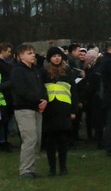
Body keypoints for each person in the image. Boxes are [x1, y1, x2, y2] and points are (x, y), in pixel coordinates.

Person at [11, 44, 47, 178]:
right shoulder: (17, 71)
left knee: (37, 139)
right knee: (30, 139)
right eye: (29, 53)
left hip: (37, 108)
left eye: (33, 52)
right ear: (21, 56)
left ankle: (32, 168)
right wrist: (38, 100)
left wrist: (45, 99)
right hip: (24, 109)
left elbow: (42, 87)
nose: (33, 55)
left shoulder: (36, 70)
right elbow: (21, 90)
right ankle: (25, 170)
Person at [42, 46, 78, 176]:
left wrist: (74, 110)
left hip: (64, 110)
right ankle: (52, 169)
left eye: (58, 56)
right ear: (49, 58)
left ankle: (63, 167)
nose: (57, 58)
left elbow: (74, 92)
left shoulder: (68, 72)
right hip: (49, 111)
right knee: (50, 142)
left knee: (63, 140)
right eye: (54, 56)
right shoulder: (44, 72)